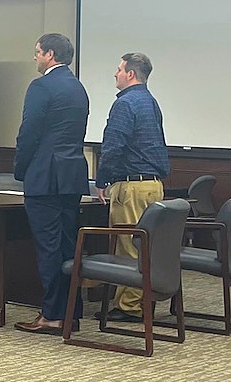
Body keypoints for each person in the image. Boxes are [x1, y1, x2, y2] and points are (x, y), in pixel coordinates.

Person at [12, 33, 90, 336]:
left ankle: (53, 316)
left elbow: (28, 132)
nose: (35, 58)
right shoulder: (78, 87)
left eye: (37, 52)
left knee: (48, 249)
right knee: (68, 247)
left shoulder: (42, 86)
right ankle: (72, 311)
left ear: (51, 54)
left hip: (45, 176)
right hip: (71, 176)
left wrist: (21, 169)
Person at [92, 53, 170, 321]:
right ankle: (140, 301)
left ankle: (129, 308)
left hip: (132, 187)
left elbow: (114, 145)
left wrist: (102, 179)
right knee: (145, 247)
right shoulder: (150, 102)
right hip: (153, 186)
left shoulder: (125, 104)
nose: (115, 74)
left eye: (118, 69)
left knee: (128, 247)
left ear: (131, 74)